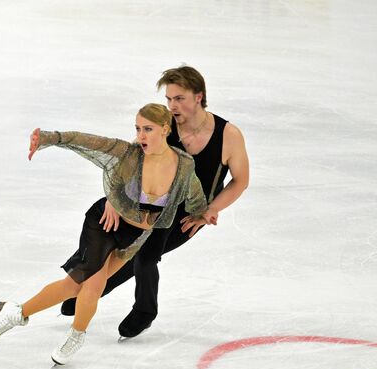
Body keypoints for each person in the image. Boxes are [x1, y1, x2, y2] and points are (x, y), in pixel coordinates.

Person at [0, 104, 206, 366]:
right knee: (94, 284)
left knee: (74, 286)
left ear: (166, 129)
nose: (141, 135)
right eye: (138, 129)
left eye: (148, 129)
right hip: (104, 223)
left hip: (134, 238)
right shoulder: (129, 153)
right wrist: (50, 138)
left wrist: (203, 213)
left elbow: (194, 195)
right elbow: (88, 142)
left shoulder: (184, 165)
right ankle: (76, 336)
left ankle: (13, 313)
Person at [59, 65, 251, 339]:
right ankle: (83, 289)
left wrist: (211, 209)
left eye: (179, 98)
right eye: (169, 99)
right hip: (153, 202)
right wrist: (114, 199)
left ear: (199, 96)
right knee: (117, 246)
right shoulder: (165, 126)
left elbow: (240, 180)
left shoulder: (228, 135)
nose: (172, 105)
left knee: (144, 256)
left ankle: (144, 310)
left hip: (189, 214)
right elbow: (128, 160)